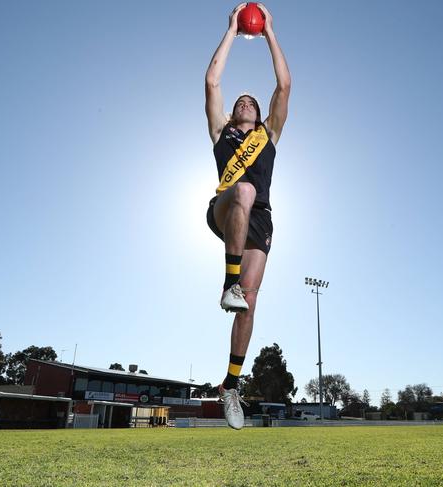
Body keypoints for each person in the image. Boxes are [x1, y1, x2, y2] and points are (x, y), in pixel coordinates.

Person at [204, 3, 291, 430]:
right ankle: (228, 282)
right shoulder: (222, 133)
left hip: (261, 219)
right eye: (239, 101)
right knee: (243, 189)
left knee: (250, 304)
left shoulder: (268, 136)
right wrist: (232, 30)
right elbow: (212, 80)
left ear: (258, 114)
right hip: (225, 206)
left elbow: (284, 85)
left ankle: (232, 385)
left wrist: (270, 30)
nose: (243, 103)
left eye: (249, 102)